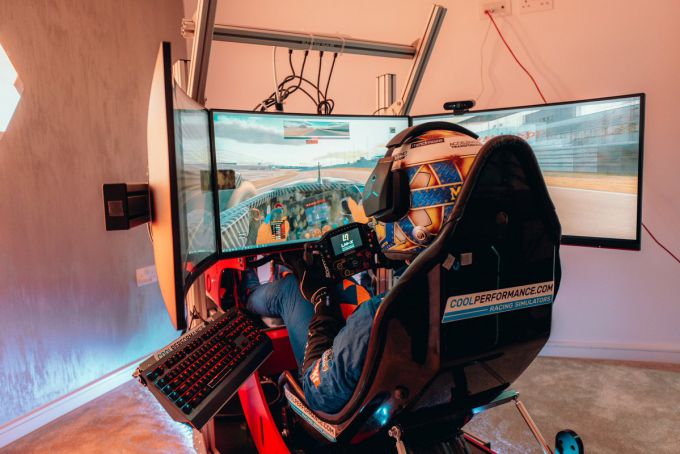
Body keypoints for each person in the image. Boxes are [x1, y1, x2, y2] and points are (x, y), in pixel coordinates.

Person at [244, 126, 482, 414]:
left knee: (292, 288)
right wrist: (401, 259)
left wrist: (322, 300)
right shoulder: (492, 278)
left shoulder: (377, 316)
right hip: (447, 402)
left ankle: (248, 291)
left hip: (359, 419)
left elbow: (319, 393)